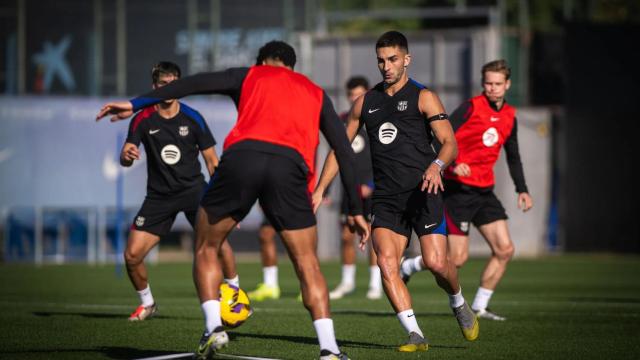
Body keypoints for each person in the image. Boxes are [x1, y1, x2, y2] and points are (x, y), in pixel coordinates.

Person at [96, 41, 369, 360]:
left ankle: (214, 328)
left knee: (206, 245)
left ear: (262, 61)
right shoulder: (315, 91)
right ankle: (330, 349)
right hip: (289, 168)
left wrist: (137, 103)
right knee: (307, 262)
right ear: (292, 67)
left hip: (243, 158)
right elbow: (345, 153)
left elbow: (193, 83)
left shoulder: (250, 75)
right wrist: (356, 209)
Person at [312, 31, 479, 352]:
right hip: (387, 199)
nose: (386, 66)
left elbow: (449, 143)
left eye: (392, 60)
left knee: (436, 263)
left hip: (424, 191)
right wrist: (320, 189)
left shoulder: (424, 96)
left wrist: (436, 166)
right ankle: (415, 334)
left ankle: (458, 302)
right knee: (386, 264)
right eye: (380, 60)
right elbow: (340, 149)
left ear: (406, 60)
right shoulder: (366, 102)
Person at [401, 59, 533, 321]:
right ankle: (411, 265)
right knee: (457, 259)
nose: (492, 88)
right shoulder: (470, 108)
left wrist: (523, 189)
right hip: (458, 191)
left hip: (484, 192)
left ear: (507, 85)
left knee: (505, 250)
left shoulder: (510, 116)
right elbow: (441, 136)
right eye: (488, 83)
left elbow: (513, 155)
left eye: (498, 84)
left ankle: (481, 306)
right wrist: (455, 163)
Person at [106, 61, 240, 321]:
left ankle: (234, 295)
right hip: (159, 197)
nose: (168, 89)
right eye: (162, 84)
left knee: (219, 243)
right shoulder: (143, 119)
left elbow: (213, 162)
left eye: (173, 84)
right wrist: (126, 155)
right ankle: (148, 304)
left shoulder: (193, 117)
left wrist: (223, 202)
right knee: (132, 256)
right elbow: (126, 157)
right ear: (153, 87)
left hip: (194, 192)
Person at [328, 76, 382, 300]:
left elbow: (382, 156)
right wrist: (327, 190)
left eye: (358, 94)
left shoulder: (375, 120)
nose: (354, 99)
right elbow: (334, 156)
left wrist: (372, 184)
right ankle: (348, 282)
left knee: (372, 237)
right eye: (351, 95)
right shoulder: (342, 121)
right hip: (349, 190)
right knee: (346, 236)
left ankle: (375, 284)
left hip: (371, 189)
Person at [246, 216, 281, 301]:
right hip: (275, 203)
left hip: (296, 203)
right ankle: (270, 285)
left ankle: (309, 285)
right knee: (265, 234)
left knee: (300, 236)